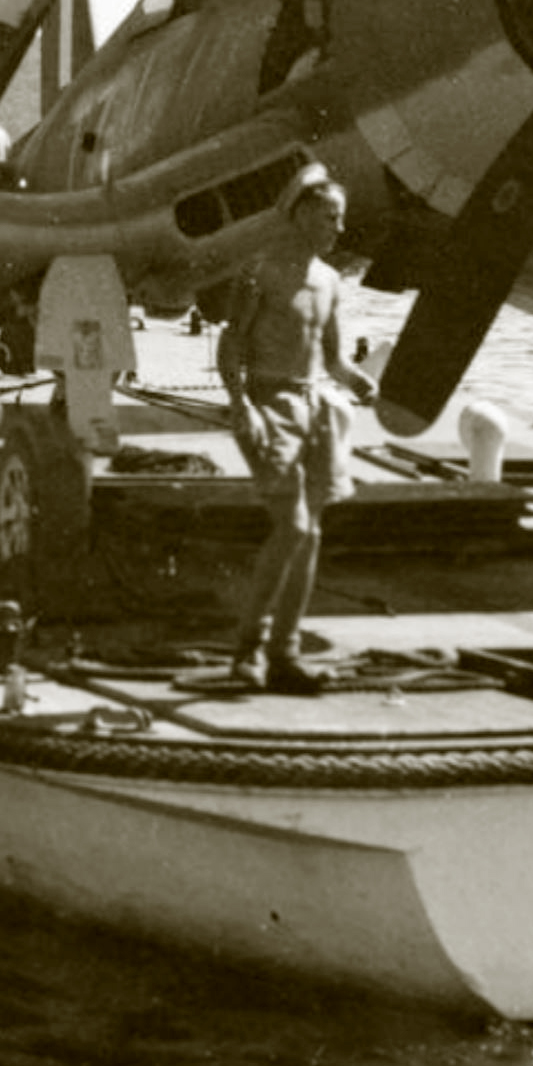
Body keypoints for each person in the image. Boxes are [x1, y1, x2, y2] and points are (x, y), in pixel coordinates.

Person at [214, 163, 375, 694]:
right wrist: (242, 405)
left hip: (316, 404)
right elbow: (231, 343)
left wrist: (362, 384)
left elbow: (332, 360)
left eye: (342, 218)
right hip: (269, 401)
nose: (339, 228)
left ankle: (284, 653)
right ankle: (249, 650)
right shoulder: (261, 270)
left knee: (311, 536)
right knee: (295, 527)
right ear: (302, 214)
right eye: (330, 216)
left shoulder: (329, 281)